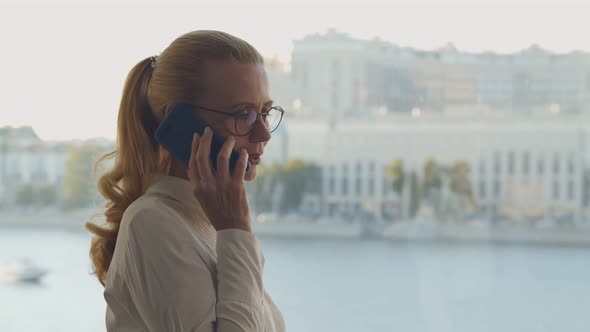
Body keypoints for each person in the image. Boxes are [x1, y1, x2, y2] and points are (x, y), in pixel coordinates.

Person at [85, 30, 286, 332]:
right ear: (179, 122)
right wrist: (237, 228)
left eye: (265, 112)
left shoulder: (208, 224)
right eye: (243, 114)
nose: (264, 134)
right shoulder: (152, 222)